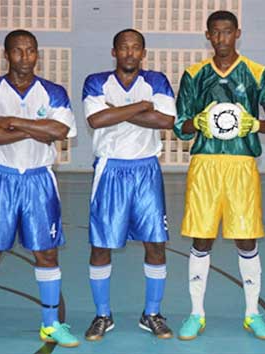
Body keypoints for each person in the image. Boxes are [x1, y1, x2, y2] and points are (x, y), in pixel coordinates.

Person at [0, 29, 79, 352]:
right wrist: (37, 132)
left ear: (37, 54)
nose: (25, 57)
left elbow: (61, 131)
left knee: (46, 252)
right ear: (6, 55)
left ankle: (50, 324)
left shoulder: (53, 92)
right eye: (18, 51)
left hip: (39, 181)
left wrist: (12, 123)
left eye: (30, 51)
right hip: (0, 179)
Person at [172, 10, 265, 341]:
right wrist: (197, 122)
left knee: (246, 239)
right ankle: (196, 314)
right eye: (215, 33)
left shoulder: (258, 74)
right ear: (208, 35)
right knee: (201, 239)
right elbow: (180, 126)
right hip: (204, 164)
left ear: (237, 33)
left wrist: (258, 124)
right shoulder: (194, 75)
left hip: (242, 164)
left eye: (227, 32)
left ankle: (251, 313)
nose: (221, 39)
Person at [81, 28, 176, 341]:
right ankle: (102, 314)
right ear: (114, 52)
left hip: (146, 169)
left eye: (136, 48)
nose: (130, 53)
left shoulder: (157, 81)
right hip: (110, 170)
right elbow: (96, 120)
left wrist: (115, 111)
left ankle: (152, 313)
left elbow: (166, 121)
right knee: (101, 245)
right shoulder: (96, 82)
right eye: (124, 47)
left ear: (143, 52)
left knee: (155, 244)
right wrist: (140, 107)